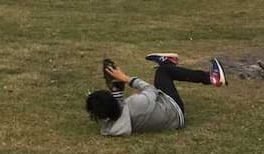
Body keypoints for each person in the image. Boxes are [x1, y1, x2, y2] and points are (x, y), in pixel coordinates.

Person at [85, 53, 226, 137]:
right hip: (174, 110)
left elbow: (117, 110)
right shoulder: (135, 104)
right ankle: (211, 77)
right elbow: (151, 90)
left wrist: (116, 90)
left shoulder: (108, 128)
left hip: (168, 121)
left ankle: (168, 63)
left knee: (163, 73)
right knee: (162, 72)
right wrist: (126, 78)